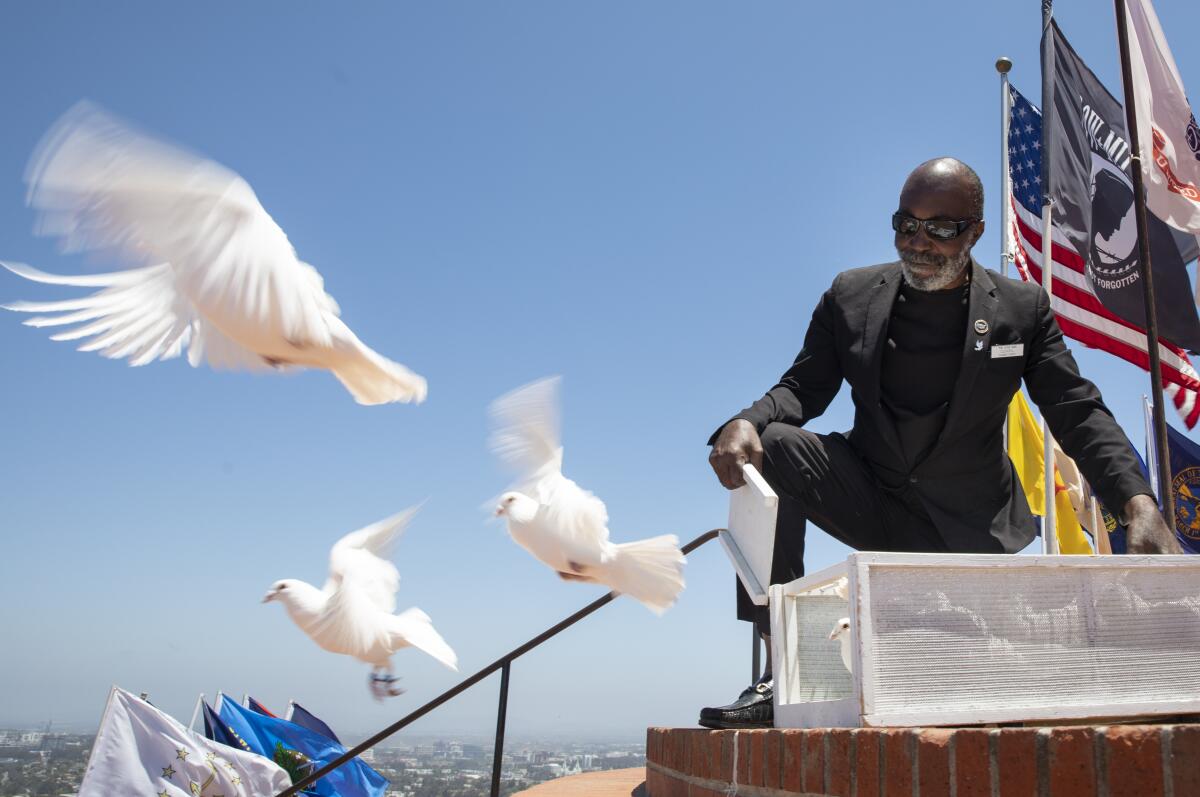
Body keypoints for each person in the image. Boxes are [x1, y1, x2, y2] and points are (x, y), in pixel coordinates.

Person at [698, 157, 1183, 730]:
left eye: (940, 229)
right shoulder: (850, 296)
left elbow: (1076, 411)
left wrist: (1137, 502)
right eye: (906, 224)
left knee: (965, 681)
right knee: (773, 446)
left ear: (974, 231)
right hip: (873, 496)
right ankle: (781, 669)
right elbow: (804, 387)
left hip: (967, 527)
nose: (918, 242)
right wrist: (745, 421)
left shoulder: (1021, 311)